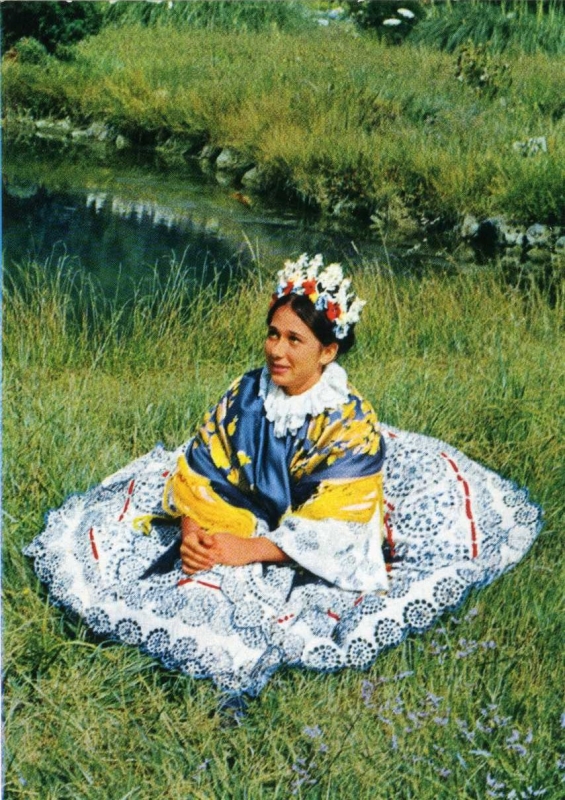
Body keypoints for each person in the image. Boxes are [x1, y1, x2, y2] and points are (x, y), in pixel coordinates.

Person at [24, 255, 542, 696]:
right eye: (273, 334)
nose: (277, 350)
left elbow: (339, 528)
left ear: (328, 351)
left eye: (295, 339)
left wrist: (247, 550)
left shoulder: (348, 422)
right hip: (248, 510)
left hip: (309, 520)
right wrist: (194, 534)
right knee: (147, 563)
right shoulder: (246, 392)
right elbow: (203, 468)